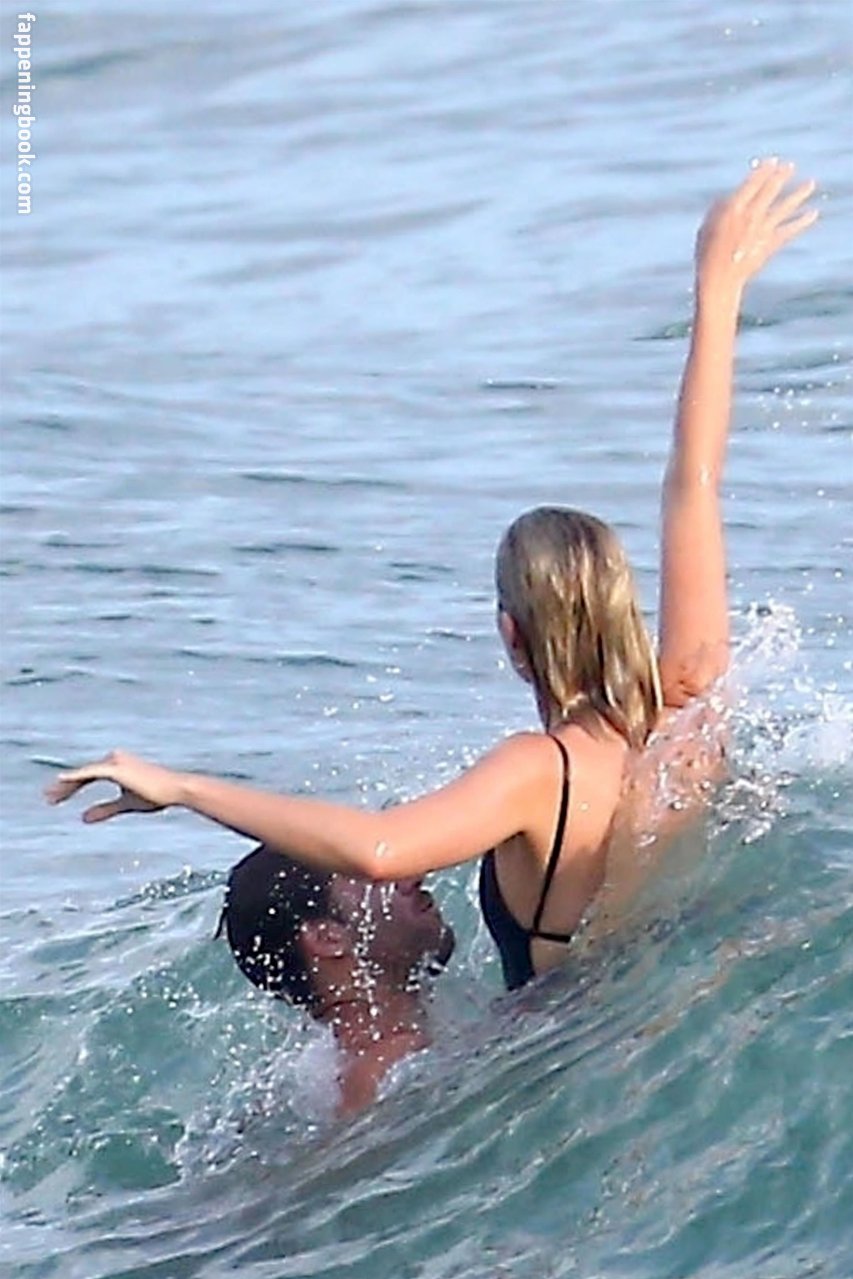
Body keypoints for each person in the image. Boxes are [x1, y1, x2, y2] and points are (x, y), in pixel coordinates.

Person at [46, 161, 819, 992]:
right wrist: (718, 288)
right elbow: (693, 482)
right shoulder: (690, 704)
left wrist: (183, 786)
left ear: (511, 634)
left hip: (577, 1043)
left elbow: (381, 850)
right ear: (623, 605)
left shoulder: (539, 771)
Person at [217, 844, 455, 1112]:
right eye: (371, 875)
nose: (413, 876)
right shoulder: (393, 1064)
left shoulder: (341, 1067)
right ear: (328, 938)